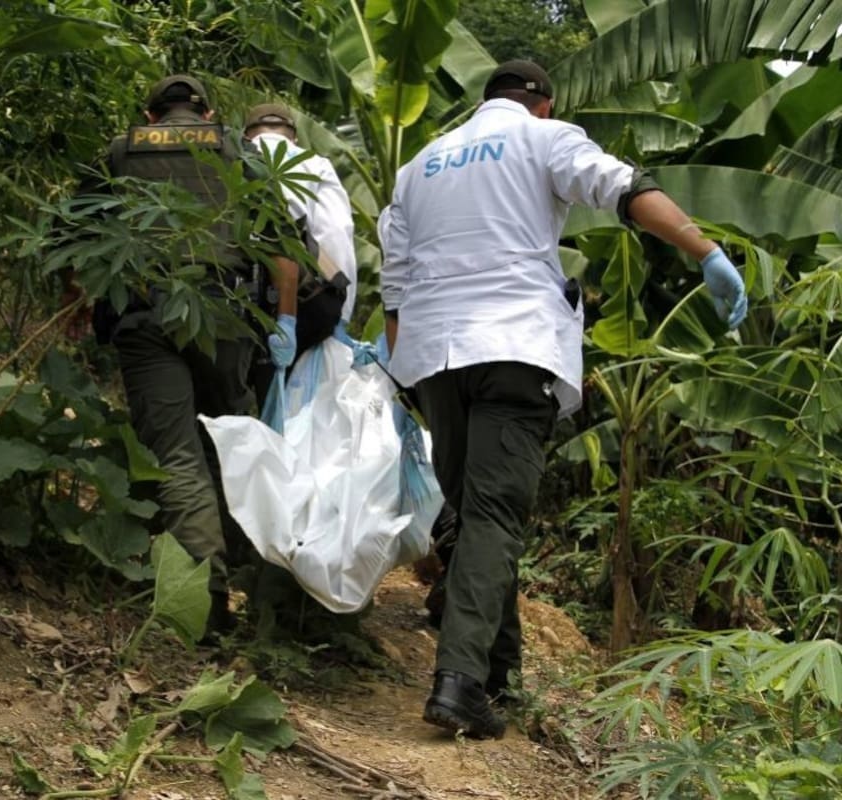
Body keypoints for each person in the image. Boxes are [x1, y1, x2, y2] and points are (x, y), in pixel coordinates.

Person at [378, 60, 748, 739]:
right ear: (543, 105)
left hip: (436, 353)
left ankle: (496, 672)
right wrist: (704, 250)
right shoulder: (544, 140)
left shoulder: (421, 165)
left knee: (472, 508)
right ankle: (458, 682)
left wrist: (405, 366)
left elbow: (394, 283)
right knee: (492, 515)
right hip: (515, 346)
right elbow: (625, 188)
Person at [91, 75, 300, 635]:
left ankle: (204, 602)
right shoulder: (239, 151)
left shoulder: (121, 151)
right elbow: (285, 253)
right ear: (207, 114)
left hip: (145, 316)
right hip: (224, 318)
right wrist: (285, 322)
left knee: (178, 456)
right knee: (228, 446)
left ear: (151, 117)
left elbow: (83, 237)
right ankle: (255, 592)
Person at [244, 103, 357, 357]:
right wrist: (341, 317)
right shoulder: (315, 165)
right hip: (295, 298)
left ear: (246, 135)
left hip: (235, 290)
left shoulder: (234, 157)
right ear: (294, 137)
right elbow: (335, 234)